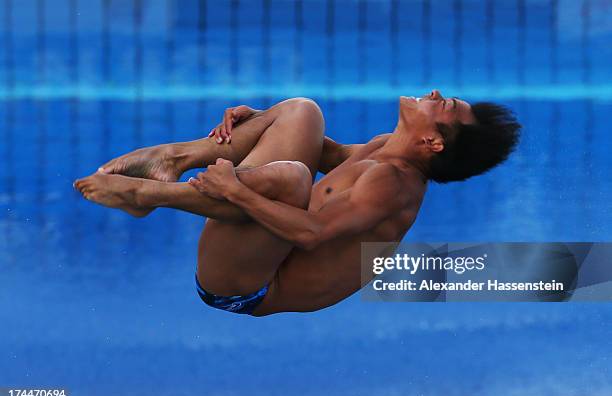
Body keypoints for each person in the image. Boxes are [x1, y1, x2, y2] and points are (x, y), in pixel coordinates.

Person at [74, 90, 520, 316]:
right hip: (262, 248)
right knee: (302, 111)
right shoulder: (385, 148)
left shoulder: (395, 185)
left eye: (448, 108)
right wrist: (262, 121)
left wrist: (234, 189)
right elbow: (327, 154)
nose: (438, 94)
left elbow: (312, 234)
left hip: (247, 288)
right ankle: (172, 159)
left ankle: (146, 194)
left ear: (432, 143)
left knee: (292, 179)